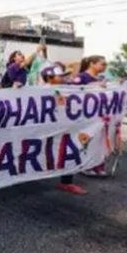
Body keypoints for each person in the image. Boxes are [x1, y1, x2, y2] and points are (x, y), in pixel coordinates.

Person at [41, 64, 87, 194]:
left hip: (65, 128)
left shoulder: (68, 89)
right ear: (50, 78)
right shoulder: (39, 91)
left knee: (70, 151)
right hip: (46, 129)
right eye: (59, 76)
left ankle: (67, 182)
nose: (63, 78)